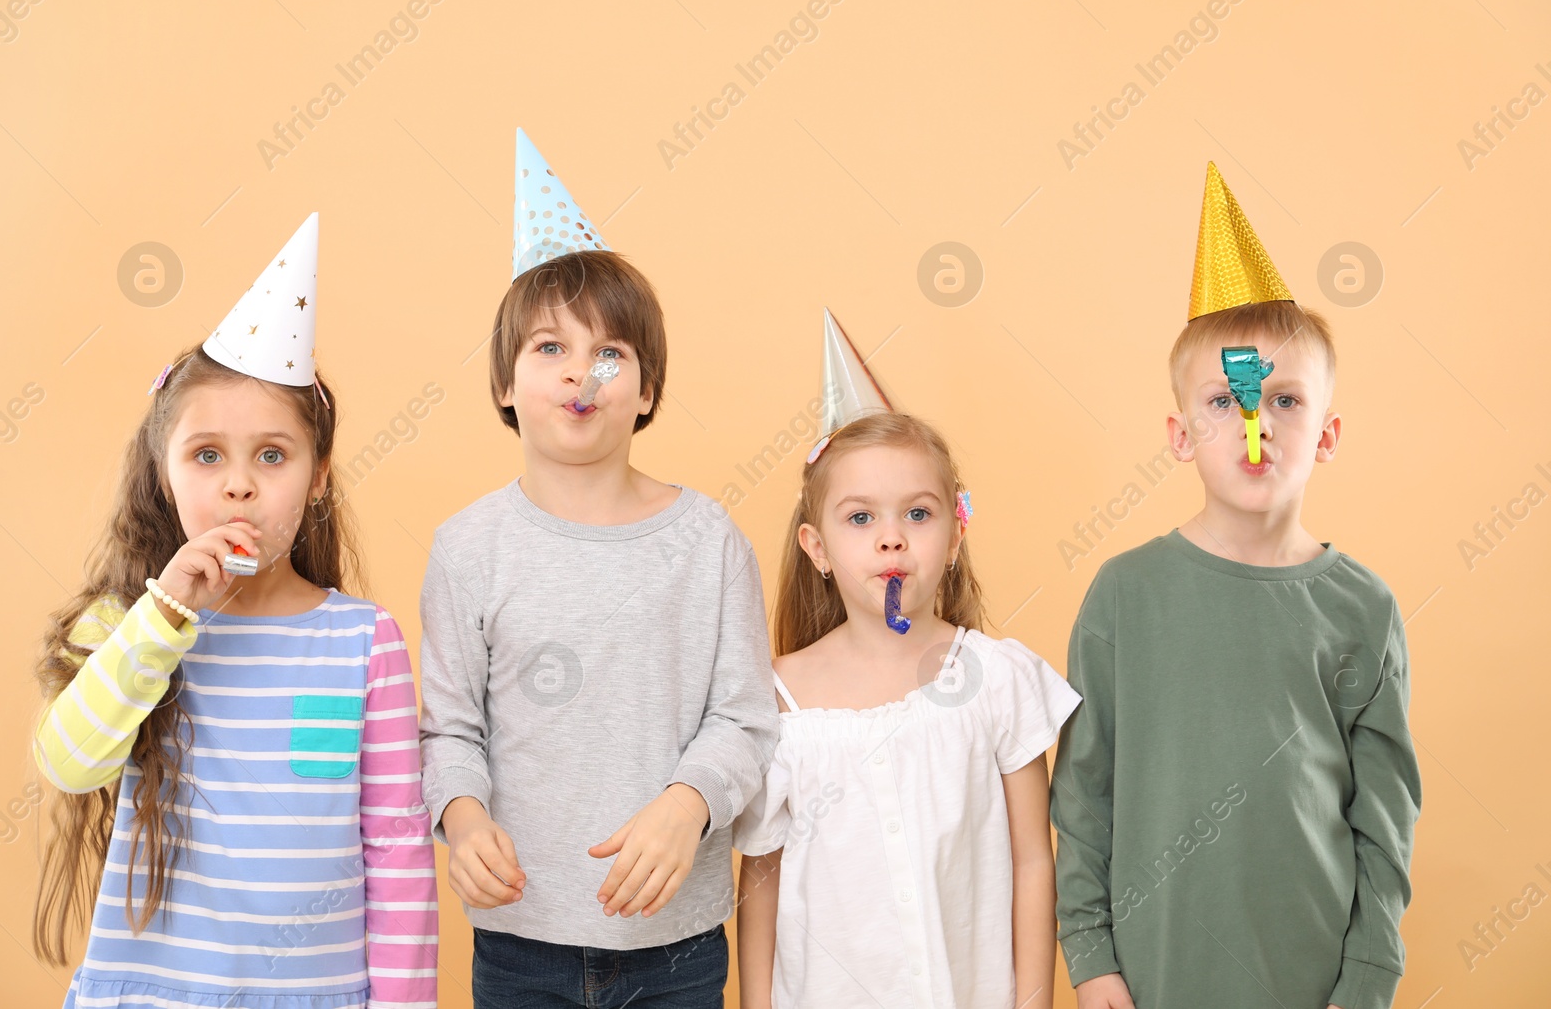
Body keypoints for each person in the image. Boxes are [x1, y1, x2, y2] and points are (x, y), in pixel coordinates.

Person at [32, 214, 439, 1009]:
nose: (239, 485)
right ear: (163, 470)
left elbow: (395, 849)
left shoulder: (363, 642)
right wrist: (165, 614)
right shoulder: (127, 623)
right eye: (207, 454)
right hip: (155, 993)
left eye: (273, 456)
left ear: (318, 476)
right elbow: (69, 762)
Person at [417, 129, 777, 1008]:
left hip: (677, 947)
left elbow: (745, 719)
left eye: (610, 352)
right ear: (504, 383)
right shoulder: (468, 547)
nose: (582, 371)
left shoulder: (708, 539)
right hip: (518, 944)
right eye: (549, 349)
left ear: (647, 389)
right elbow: (449, 732)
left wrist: (688, 801)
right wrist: (462, 824)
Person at [1051, 163, 1423, 1009]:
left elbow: (1386, 813)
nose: (1255, 428)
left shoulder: (1363, 608)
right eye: (1226, 400)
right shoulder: (1123, 597)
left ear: (1326, 435)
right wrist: (1090, 952)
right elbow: (1084, 791)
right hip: (1151, 976)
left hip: (1312, 980)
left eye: (1283, 399)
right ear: (1182, 435)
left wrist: (1367, 977)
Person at [733, 310, 1081, 1009]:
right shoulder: (779, 701)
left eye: (917, 514)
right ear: (818, 547)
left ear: (956, 533)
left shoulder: (997, 680)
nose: (891, 540)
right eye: (861, 518)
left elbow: (1032, 859)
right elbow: (760, 882)